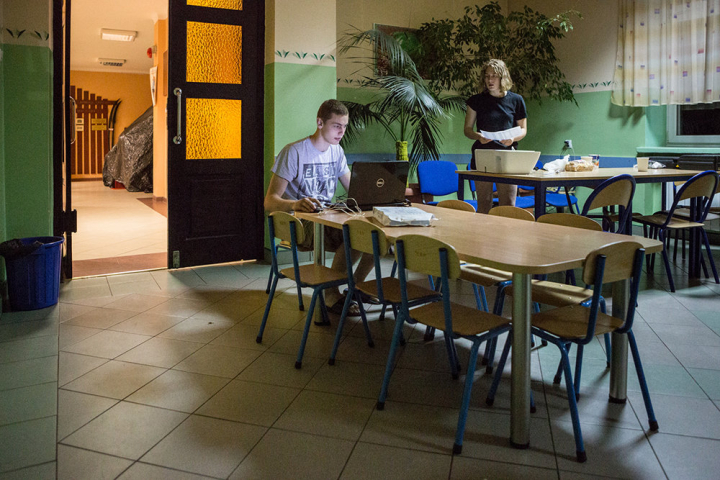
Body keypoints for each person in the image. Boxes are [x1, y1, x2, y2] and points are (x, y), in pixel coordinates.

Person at [264, 99, 373, 316]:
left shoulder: (337, 151)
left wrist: (382, 196)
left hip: (328, 217)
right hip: (300, 223)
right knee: (353, 236)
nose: (341, 132)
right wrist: (296, 203)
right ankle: (331, 294)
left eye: (344, 126)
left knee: (373, 234)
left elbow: (355, 190)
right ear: (320, 123)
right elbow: (270, 201)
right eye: (336, 126)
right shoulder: (293, 152)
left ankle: (355, 287)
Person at [464, 59, 528, 214]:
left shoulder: (516, 100)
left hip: (507, 155)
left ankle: (505, 237)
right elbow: (467, 129)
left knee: (508, 205)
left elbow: (523, 129)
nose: (490, 80)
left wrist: (513, 139)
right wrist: (478, 136)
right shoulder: (476, 100)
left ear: (502, 78)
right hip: (483, 154)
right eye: (487, 76)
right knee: (484, 204)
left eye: (494, 76)